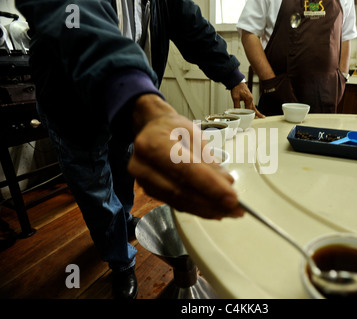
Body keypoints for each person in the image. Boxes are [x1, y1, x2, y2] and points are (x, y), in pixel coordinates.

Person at [15, 0, 254, 299]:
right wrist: (140, 100)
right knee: (95, 189)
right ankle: (120, 261)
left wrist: (233, 75)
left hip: (128, 104)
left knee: (123, 166)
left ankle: (124, 219)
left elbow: (193, 26)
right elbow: (75, 17)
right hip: (71, 104)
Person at [237, 0, 357, 116]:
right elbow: (249, 33)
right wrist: (272, 84)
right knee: (276, 136)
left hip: (326, 97)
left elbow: (346, 36)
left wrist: (342, 78)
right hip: (279, 94)